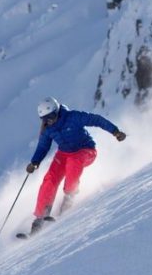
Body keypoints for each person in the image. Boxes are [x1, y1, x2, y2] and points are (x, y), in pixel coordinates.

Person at [25, 97, 126, 234]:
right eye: (45, 119)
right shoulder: (48, 129)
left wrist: (115, 131)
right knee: (50, 179)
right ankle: (39, 219)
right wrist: (35, 162)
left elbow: (96, 120)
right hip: (64, 153)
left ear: (57, 111)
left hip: (86, 151)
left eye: (51, 116)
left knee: (74, 162)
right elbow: (43, 146)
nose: (50, 121)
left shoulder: (73, 117)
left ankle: (68, 198)